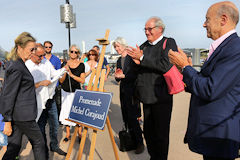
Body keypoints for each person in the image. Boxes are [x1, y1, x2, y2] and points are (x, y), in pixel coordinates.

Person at [169, 1, 240, 160]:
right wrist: (184, 70)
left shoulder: (235, 48)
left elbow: (210, 88)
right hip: (212, 133)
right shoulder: (224, 47)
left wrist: (186, 67)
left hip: (219, 135)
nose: (204, 24)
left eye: (207, 19)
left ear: (223, 20)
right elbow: (210, 81)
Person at [127, 17, 178, 160]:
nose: (146, 32)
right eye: (145, 29)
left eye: (149, 29)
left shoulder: (169, 42)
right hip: (145, 96)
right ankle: (153, 157)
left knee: (161, 134)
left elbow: (165, 65)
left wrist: (142, 58)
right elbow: (136, 69)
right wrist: (127, 71)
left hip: (161, 97)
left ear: (159, 29)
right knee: (148, 133)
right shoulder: (143, 46)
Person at [0, 32, 46, 160]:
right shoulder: (17, 66)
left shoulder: (17, 63)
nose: (33, 52)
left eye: (35, 49)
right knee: (39, 143)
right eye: (31, 49)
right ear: (20, 47)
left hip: (19, 115)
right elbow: (7, 95)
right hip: (23, 116)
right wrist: (7, 121)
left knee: (13, 147)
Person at [25, 43, 67, 157]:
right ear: (32, 54)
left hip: (50, 99)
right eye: (40, 56)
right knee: (41, 127)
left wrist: (62, 71)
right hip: (37, 102)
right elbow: (25, 87)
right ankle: (43, 151)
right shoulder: (27, 66)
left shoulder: (45, 62)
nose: (42, 58)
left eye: (43, 55)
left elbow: (54, 74)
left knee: (54, 125)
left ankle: (54, 146)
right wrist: (40, 84)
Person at [113, 37, 144, 154]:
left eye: (118, 46)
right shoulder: (118, 61)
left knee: (133, 118)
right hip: (123, 91)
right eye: (115, 47)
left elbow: (137, 75)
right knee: (125, 117)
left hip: (132, 92)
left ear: (124, 45)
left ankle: (140, 142)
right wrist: (117, 76)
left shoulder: (131, 58)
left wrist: (124, 76)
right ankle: (131, 140)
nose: (116, 49)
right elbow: (117, 78)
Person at [59, 44, 85, 142]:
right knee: (66, 112)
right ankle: (68, 134)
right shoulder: (64, 64)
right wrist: (65, 72)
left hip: (76, 92)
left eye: (75, 52)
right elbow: (61, 81)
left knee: (77, 112)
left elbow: (82, 80)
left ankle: (79, 133)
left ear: (78, 54)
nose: (73, 54)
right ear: (69, 53)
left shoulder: (81, 65)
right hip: (65, 92)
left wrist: (72, 75)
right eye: (71, 51)